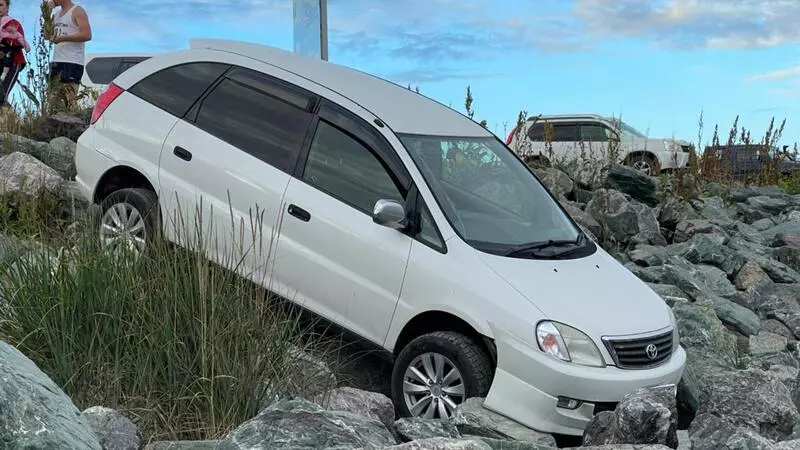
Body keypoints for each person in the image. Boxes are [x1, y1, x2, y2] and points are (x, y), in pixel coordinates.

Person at [47, 0, 91, 110]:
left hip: (72, 61)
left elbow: (87, 35)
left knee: (69, 100)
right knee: (53, 100)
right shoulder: (56, 15)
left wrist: (63, 38)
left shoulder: (77, 11)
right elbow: (47, 35)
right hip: (57, 60)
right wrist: (46, 14)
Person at [0, 0, 28, 109]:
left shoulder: (13, 23)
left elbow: (19, 41)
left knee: (2, 93)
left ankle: (9, 116)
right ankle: (9, 117)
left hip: (12, 62)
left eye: (1, 5)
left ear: (7, 8)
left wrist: (4, 49)